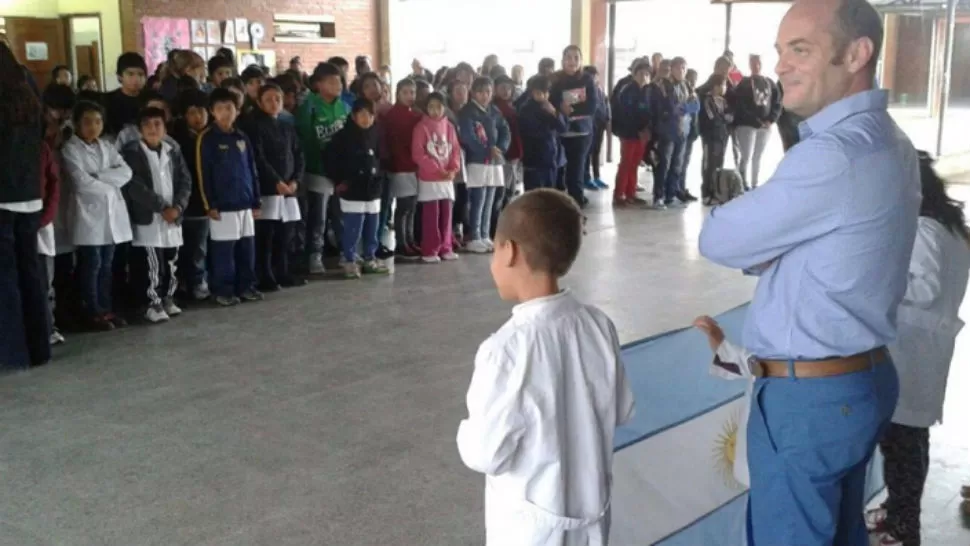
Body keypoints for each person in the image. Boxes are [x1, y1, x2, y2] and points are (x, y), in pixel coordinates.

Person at [697, 1, 921, 544]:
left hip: (811, 400)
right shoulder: (889, 139)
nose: (781, 66)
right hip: (858, 380)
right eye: (779, 50)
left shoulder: (832, 156)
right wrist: (778, 244)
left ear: (856, 54)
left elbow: (718, 237)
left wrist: (773, 243)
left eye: (800, 49)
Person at [456, 188, 635, 546]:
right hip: (592, 519)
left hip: (530, 531)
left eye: (494, 249)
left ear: (510, 252)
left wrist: (464, 431)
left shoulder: (505, 350)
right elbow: (621, 409)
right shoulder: (599, 324)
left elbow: (484, 453)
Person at [864, 154, 970, 546]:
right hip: (923, 349)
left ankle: (904, 524)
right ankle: (898, 511)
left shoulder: (925, 229)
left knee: (903, 443)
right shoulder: (951, 228)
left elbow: (923, 289)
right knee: (909, 438)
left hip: (911, 350)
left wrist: (873, 284)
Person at [0, 41, 51, 369]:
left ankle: (12, 352)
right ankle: (39, 347)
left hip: (3, 197)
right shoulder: (29, 96)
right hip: (30, 195)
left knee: (6, 277)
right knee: (30, 272)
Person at [62, 100, 134, 331]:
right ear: (76, 124)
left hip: (111, 215)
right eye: (87, 122)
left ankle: (105, 308)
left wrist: (99, 175)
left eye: (98, 121)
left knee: (107, 264)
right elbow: (81, 183)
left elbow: (126, 172)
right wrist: (110, 182)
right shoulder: (70, 149)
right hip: (88, 216)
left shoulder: (106, 146)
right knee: (91, 264)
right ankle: (91, 310)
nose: (93, 126)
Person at [120, 107, 191, 323]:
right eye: (148, 125)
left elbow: (185, 181)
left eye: (158, 124)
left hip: (173, 217)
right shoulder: (132, 153)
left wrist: (178, 207)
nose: (153, 128)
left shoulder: (172, 150)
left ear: (165, 128)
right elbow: (135, 186)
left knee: (172, 260)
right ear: (140, 129)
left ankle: (169, 297)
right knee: (153, 264)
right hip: (149, 218)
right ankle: (153, 302)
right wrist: (162, 207)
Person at [197, 89, 263, 307]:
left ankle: (246, 287)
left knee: (247, 249)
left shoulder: (242, 137)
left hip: (245, 204)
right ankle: (223, 290)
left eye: (229, 108)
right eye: (220, 109)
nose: (225, 113)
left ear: (238, 110)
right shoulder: (207, 139)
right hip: (222, 207)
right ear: (212, 112)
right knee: (224, 251)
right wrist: (210, 204)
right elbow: (203, 172)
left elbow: (251, 169)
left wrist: (256, 200)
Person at [241, 83, 306, 291]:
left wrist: (295, 179)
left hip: (288, 189)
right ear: (259, 102)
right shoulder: (255, 126)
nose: (273, 103)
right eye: (268, 99)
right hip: (269, 189)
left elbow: (298, 154)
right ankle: (265, 274)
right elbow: (258, 158)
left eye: (277, 99)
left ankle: (283, 271)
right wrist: (276, 181)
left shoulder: (287, 126)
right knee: (267, 235)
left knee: (285, 234)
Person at [324, 99, 390, 278]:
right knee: (353, 226)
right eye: (361, 115)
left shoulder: (376, 133)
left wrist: (380, 178)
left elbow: (381, 157)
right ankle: (349, 259)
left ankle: (370, 257)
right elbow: (331, 161)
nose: (366, 119)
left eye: (369, 115)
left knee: (372, 225)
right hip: (353, 190)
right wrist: (340, 181)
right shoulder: (342, 137)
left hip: (373, 189)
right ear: (353, 116)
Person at [296, 62, 348, 275]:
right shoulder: (310, 106)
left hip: (340, 171)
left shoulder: (344, 106)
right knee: (318, 216)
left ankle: (347, 251)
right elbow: (306, 138)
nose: (337, 85)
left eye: (339, 81)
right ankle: (314, 255)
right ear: (318, 84)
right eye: (331, 81)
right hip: (317, 170)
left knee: (341, 214)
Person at [458, 76, 510, 255]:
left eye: (488, 92)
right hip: (477, 161)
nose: (484, 96)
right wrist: (487, 150)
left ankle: (485, 234)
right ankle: (474, 236)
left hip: (495, 161)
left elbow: (505, 130)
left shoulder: (494, 110)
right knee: (478, 199)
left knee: (490, 198)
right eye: (480, 92)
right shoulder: (467, 112)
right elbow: (468, 137)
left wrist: (501, 148)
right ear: (473, 93)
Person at [170, 89, 212, 302]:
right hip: (185, 202)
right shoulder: (177, 141)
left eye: (202, 112)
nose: (198, 117)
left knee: (200, 247)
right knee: (184, 247)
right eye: (193, 113)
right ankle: (182, 285)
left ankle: (198, 282)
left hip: (206, 202)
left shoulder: (211, 137)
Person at [549, 46, 602, 209]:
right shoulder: (555, 80)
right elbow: (550, 100)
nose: (572, 61)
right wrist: (560, 108)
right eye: (568, 57)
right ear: (562, 60)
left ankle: (576, 202)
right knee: (558, 167)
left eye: (576, 58)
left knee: (576, 168)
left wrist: (571, 111)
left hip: (581, 132)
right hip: (560, 132)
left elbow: (592, 105)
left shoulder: (586, 80)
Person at [412, 91, 461, 263]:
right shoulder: (421, 128)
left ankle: (446, 247)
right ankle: (430, 249)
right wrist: (437, 169)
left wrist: (453, 168)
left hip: (446, 178)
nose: (435, 110)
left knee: (447, 214)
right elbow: (418, 154)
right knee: (431, 215)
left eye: (439, 107)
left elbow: (455, 150)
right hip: (430, 178)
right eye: (431, 107)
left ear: (445, 108)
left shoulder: (450, 127)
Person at [649, 57, 699, 209]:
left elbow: (695, 105)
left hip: (683, 131)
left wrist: (684, 109)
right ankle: (659, 196)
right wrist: (678, 109)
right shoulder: (663, 85)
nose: (682, 71)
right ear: (672, 68)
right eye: (679, 68)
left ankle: (671, 194)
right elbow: (668, 107)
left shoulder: (687, 85)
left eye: (684, 68)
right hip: (667, 131)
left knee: (677, 164)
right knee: (664, 163)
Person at [382, 78, 423, 259]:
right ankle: (401, 242)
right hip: (400, 166)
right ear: (398, 94)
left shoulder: (416, 114)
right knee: (404, 206)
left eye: (412, 92)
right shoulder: (392, 116)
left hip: (414, 166)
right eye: (405, 92)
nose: (409, 96)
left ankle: (410, 240)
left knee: (412, 205)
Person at [733, 54, 782, 189]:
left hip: (765, 126)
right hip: (747, 125)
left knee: (757, 156)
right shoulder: (744, 82)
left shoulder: (770, 83)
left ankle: (755, 184)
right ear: (749, 64)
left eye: (758, 63)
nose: (756, 65)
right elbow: (740, 104)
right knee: (746, 155)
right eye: (753, 63)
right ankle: (742, 184)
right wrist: (755, 120)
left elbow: (777, 103)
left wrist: (771, 120)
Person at [610, 59, 652, 206]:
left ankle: (631, 193)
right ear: (634, 75)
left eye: (647, 74)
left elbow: (649, 113)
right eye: (641, 74)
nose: (644, 77)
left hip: (642, 135)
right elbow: (627, 114)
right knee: (626, 164)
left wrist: (647, 129)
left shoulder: (647, 91)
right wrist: (638, 129)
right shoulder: (628, 91)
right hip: (629, 134)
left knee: (634, 164)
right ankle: (619, 194)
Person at [517, 75, 568, 193]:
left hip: (550, 158)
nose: (544, 96)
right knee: (534, 195)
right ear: (532, 92)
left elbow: (563, 128)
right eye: (539, 93)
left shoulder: (549, 106)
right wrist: (549, 126)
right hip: (534, 160)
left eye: (546, 93)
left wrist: (555, 113)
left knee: (549, 193)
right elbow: (532, 131)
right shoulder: (526, 109)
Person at [492, 75, 523, 228]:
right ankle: (498, 223)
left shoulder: (511, 107)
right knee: (501, 191)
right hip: (504, 155)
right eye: (502, 88)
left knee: (510, 189)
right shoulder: (496, 109)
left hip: (514, 155)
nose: (506, 91)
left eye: (509, 88)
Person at [698, 75, 733, 204]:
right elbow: (713, 118)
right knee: (709, 166)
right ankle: (706, 194)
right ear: (715, 86)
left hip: (722, 137)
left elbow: (731, 116)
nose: (725, 88)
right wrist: (724, 118)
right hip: (710, 137)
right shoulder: (707, 100)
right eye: (723, 85)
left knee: (718, 165)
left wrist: (724, 118)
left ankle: (716, 193)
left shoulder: (723, 101)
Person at [105, 52, 148, 138]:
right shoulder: (108, 101)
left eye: (140, 74)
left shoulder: (151, 99)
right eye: (130, 74)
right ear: (120, 76)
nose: (136, 79)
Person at [582, 65, 610, 191]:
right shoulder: (584, 91)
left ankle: (597, 176)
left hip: (600, 125)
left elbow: (605, 104)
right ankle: (586, 178)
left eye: (595, 76)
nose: (593, 78)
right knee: (587, 153)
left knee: (596, 152)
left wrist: (607, 119)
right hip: (589, 126)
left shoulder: (599, 89)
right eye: (590, 76)